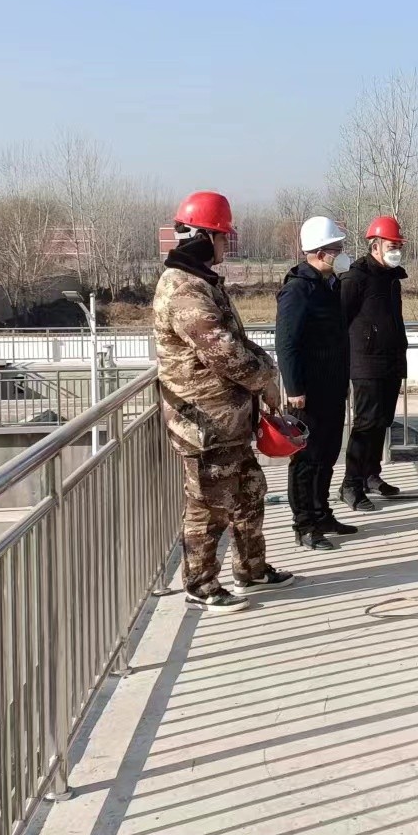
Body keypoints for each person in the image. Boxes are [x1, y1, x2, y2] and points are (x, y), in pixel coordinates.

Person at [153, 191, 293, 612]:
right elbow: (223, 351)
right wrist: (265, 379)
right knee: (209, 507)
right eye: (222, 238)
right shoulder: (183, 289)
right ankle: (201, 585)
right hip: (204, 423)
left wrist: (266, 372)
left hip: (227, 420)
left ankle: (251, 568)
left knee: (249, 491)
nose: (225, 246)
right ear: (203, 237)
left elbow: (239, 341)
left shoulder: (201, 283)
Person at [276, 216, 354, 549]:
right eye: (337, 248)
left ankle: (322, 513)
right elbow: (286, 343)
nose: (342, 253)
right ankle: (304, 524)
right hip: (308, 392)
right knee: (307, 459)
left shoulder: (330, 284)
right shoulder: (298, 289)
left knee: (328, 453)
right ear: (320, 253)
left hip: (332, 386)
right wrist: (294, 389)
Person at [339, 215, 409, 512]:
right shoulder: (355, 278)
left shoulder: (391, 278)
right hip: (366, 362)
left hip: (391, 361)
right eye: (392, 246)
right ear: (375, 246)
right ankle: (350, 484)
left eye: (399, 246)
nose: (397, 251)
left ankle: (371, 474)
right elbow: (340, 321)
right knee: (365, 423)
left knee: (382, 421)